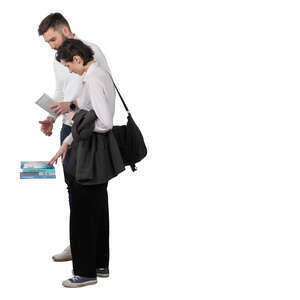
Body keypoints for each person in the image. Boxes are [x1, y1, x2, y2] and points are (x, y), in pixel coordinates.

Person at [49, 39, 125, 288]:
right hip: (90, 147)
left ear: (78, 60)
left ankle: (84, 273)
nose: (68, 71)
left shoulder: (92, 78)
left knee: (82, 212)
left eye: (68, 66)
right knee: (98, 209)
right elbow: (89, 110)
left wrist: (75, 117)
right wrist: (66, 142)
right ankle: (101, 265)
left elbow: (104, 122)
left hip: (92, 151)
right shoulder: (97, 74)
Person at [38, 12, 111, 262]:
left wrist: (79, 110)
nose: (51, 46)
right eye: (47, 42)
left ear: (66, 30)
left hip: (89, 128)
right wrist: (51, 118)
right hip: (69, 129)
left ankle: (93, 251)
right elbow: (61, 91)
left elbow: (102, 90)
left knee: (91, 190)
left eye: (53, 39)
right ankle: (77, 241)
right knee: (74, 189)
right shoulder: (59, 59)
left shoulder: (91, 52)